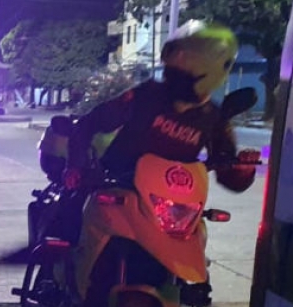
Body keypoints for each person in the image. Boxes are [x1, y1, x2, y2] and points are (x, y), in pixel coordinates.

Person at [62, 21, 259, 200]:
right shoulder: (145, 95)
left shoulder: (213, 119)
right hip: (119, 191)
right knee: (75, 219)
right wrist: (75, 167)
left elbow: (226, 172)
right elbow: (91, 123)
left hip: (172, 205)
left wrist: (243, 169)